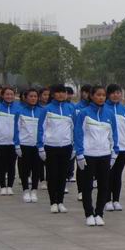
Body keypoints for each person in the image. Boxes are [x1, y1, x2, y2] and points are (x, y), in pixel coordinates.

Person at [73, 84, 119, 226]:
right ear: (92, 96)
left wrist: (114, 152)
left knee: (104, 186)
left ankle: (99, 213)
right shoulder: (84, 113)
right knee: (87, 186)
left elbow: (113, 135)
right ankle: (89, 213)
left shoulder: (110, 114)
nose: (101, 98)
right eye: (98, 95)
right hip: (88, 155)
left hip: (105, 154)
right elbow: (78, 133)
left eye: (103, 95)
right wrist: (79, 153)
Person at [37, 84, 76, 213]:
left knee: (62, 175)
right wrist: (40, 147)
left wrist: (74, 147)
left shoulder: (70, 109)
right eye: (58, 92)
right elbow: (41, 129)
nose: (61, 94)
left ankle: (61, 201)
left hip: (66, 147)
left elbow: (75, 129)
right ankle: (53, 202)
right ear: (53, 94)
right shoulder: (47, 109)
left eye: (63, 92)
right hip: (51, 147)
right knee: (52, 175)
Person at [0, 86, 19, 196]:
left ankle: (9, 186)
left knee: (11, 165)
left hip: (13, 143)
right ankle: (2, 186)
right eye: (7, 94)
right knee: (0, 165)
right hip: (0, 142)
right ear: (3, 95)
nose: (9, 96)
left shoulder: (18, 109)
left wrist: (18, 142)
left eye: (11, 94)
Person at [15, 87, 45, 203]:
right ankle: (26, 190)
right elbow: (16, 129)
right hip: (24, 144)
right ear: (26, 98)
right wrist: (17, 144)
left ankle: (34, 190)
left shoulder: (42, 111)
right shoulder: (20, 111)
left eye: (35, 96)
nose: (33, 98)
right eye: (31, 96)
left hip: (37, 145)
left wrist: (42, 144)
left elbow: (44, 129)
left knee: (36, 168)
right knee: (24, 169)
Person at [106, 84, 125, 211]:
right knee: (107, 175)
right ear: (108, 94)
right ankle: (107, 200)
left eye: (118, 93)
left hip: (122, 148)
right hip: (107, 149)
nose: (116, 95)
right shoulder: (104, 109)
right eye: (113, 93)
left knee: (117, 175)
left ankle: (116, 200)